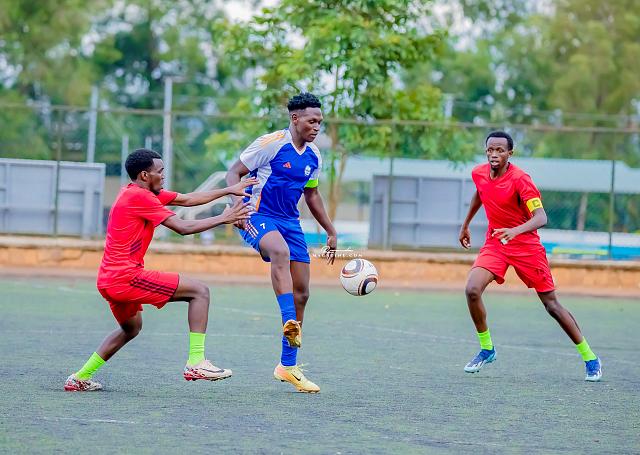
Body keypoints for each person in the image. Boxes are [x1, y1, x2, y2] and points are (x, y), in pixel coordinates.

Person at [64, 148, 256, 391]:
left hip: (108, 279)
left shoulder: (136, 193)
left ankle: (80, 378)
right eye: (160, 171)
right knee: (199, 292)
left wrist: (228, 190)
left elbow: (187, 199)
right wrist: (222, 218)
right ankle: (196, 362)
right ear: (145, 175)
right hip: (125, 277)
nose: (164, 175)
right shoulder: (141, 197)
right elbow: (182, 227)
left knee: (131, 328)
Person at [458, 131, 602, 382]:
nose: (494, 154)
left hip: (526, 247)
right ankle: (487, 349)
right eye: (490, 149)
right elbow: (480, 193)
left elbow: (541, 217)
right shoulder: (479, 173)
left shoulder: (521, 180)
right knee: (472, 290)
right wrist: (466, 224)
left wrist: (515, 231)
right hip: (497, 243)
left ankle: (590, 357)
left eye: (500, 150)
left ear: (510, 153)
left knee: (551, 305)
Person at [225, 92, 337, 393]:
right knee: (279, 251)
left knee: (303, 293)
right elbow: (234, 172)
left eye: (320, 122)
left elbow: (312, 194)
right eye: (312, 121)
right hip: (257, 214)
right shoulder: (271, 143)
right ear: (295, 118)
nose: (317, 127)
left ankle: (287, 366)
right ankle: (290, 321)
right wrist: (237, 206)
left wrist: (330, 230)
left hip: (290, 222)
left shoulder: (314, 156)